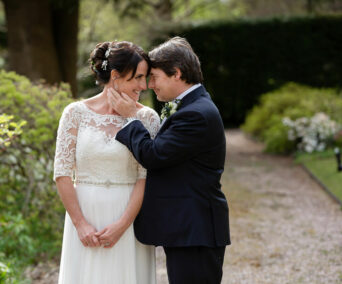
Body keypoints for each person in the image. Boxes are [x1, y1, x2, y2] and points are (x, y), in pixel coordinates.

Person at [108, 37, 231, 284]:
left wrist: (132, 118)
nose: (149, 85)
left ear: (176, 73)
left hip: (195, 230)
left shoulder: (195, 114)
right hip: (187, 228)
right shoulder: (191, 107)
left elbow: (154, 155)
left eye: (154, 76)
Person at [53, 41, 159, 284]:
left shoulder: (147, 117)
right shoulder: (75, 113)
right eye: (138, 77)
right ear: (115, 76)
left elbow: (146, 176)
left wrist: (123, 224)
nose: (144, 86)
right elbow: (62, 173)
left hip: (129, 216)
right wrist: (80, 224)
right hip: (85, 214)